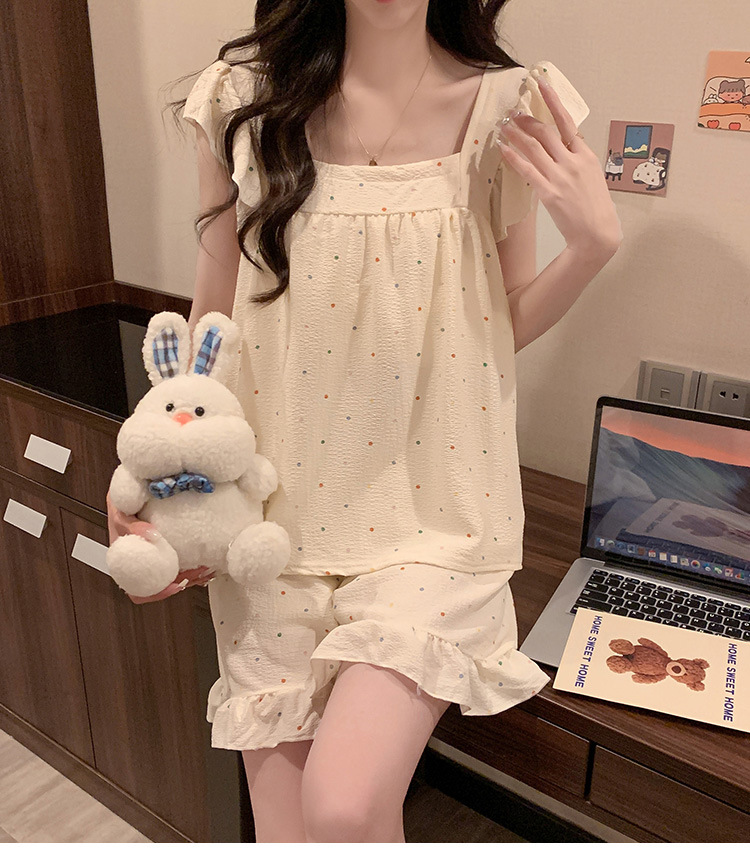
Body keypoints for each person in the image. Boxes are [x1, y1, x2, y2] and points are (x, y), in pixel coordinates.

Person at [108, 0, 622, 844]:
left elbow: (495, 325)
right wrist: (155, 464)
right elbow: (213, 325)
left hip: (434, 519)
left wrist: (592, 248)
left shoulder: (511, 107)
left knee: (343, 807)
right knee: (287, 840)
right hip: (271, 523)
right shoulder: (240, 102)